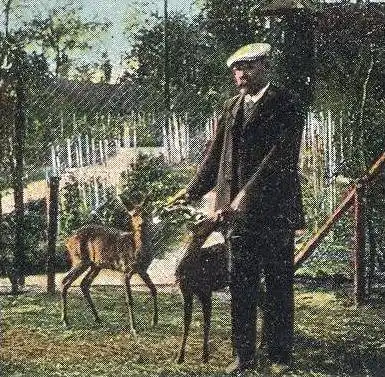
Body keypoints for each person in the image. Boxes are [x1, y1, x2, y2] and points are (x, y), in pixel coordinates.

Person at [172, 43, 305, 374]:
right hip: (236, 220)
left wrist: (241, 199)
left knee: (277, 284)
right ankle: (243, 356)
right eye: (236, 69)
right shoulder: (231, 107)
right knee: (241, 284)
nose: (240, 75)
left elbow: (278, 160)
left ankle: (279, 356)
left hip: (274, 213)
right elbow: (214, 157)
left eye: (247, 67)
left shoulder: (286, 105)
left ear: (264, 66)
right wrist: (189, 192)